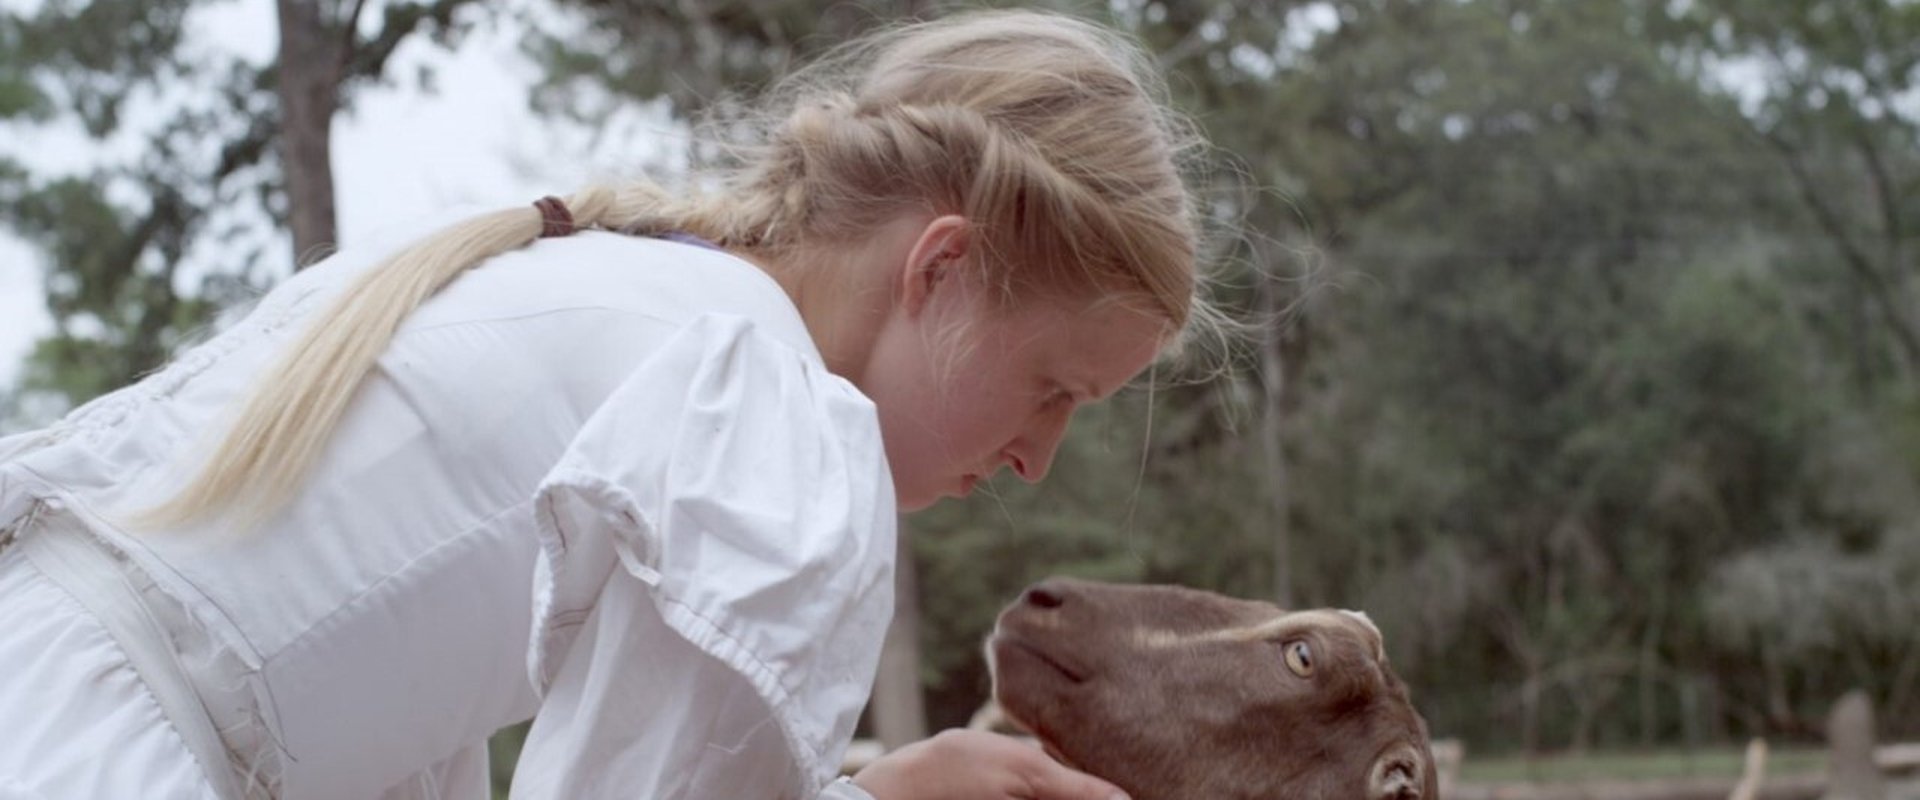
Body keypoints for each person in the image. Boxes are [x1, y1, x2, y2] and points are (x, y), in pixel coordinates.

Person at [0, 9, 1218, 800]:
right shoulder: (777, 421)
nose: (1038, 461)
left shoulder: (604, 284)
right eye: (1053, 388)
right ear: (941, 268)